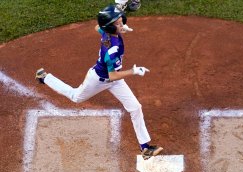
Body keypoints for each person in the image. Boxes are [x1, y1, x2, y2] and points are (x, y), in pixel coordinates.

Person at [35, 4, 163, 160]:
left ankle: (145, 148)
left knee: (135, 107)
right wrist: (134, 71)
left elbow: (98, 27)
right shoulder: (112, 50)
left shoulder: (108, 33)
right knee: (76, 97)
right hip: (99, 79)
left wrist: (121, 29)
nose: (121, 22)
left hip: (114, 78)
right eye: (117, 22)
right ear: (110, 27)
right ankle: (45, 77)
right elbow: (113, 75)